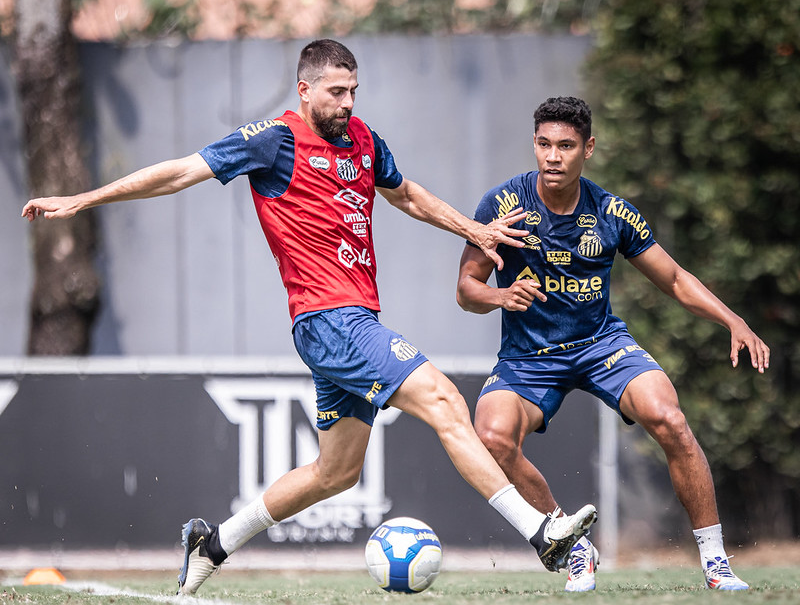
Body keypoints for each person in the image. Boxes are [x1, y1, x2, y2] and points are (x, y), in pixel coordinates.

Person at [22, 42, 598, 595]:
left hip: (352, 320)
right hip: (329, 320)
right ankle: (538, 531)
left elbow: (407, 196)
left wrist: (471, 229)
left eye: (354, 91)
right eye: (336, 91)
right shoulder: (273, 140)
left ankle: (212, 545)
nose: (348, 103)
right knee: (445, 400)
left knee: (336, 473)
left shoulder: (364, 139)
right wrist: (81, 200)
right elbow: (179, 172)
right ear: (305, 89)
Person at [456, 96, 770, 592]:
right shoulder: (502, 206)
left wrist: (733, 320)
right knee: (491, 437)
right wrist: (500, 294)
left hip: (603, 346)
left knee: (669, 418)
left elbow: (674, 279)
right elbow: (466, 292)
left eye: (565, 146)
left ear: (589, 149)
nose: (552, 157)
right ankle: (571, 542)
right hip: (528, 356)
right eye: (543, 145)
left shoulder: (612, 212)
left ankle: (715, 563)